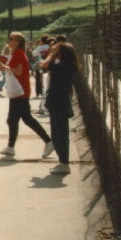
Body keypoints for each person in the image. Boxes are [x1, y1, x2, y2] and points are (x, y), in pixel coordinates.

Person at [0, 32, 53, 158]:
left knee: (25, 119)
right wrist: (4, 66)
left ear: (18, 41)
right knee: (15, 120)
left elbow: (19, 71)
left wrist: (3, 67)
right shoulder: (17, 54)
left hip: (20, 91)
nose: (9, 40)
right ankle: (10, 147)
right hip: (20, 91)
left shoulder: (19, 54)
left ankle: (49, 141)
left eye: (11, 39)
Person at [41, 41, 80, 175]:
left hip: (59, 103)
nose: (53, 52)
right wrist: (54, 53)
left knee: (60, 134)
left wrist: (52, 54)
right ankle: (62, 162)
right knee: (57, 133)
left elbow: (45, 64)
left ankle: (64, 163)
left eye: (56, 50)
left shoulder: (64, 66)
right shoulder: (65, 65)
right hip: (58, 102)